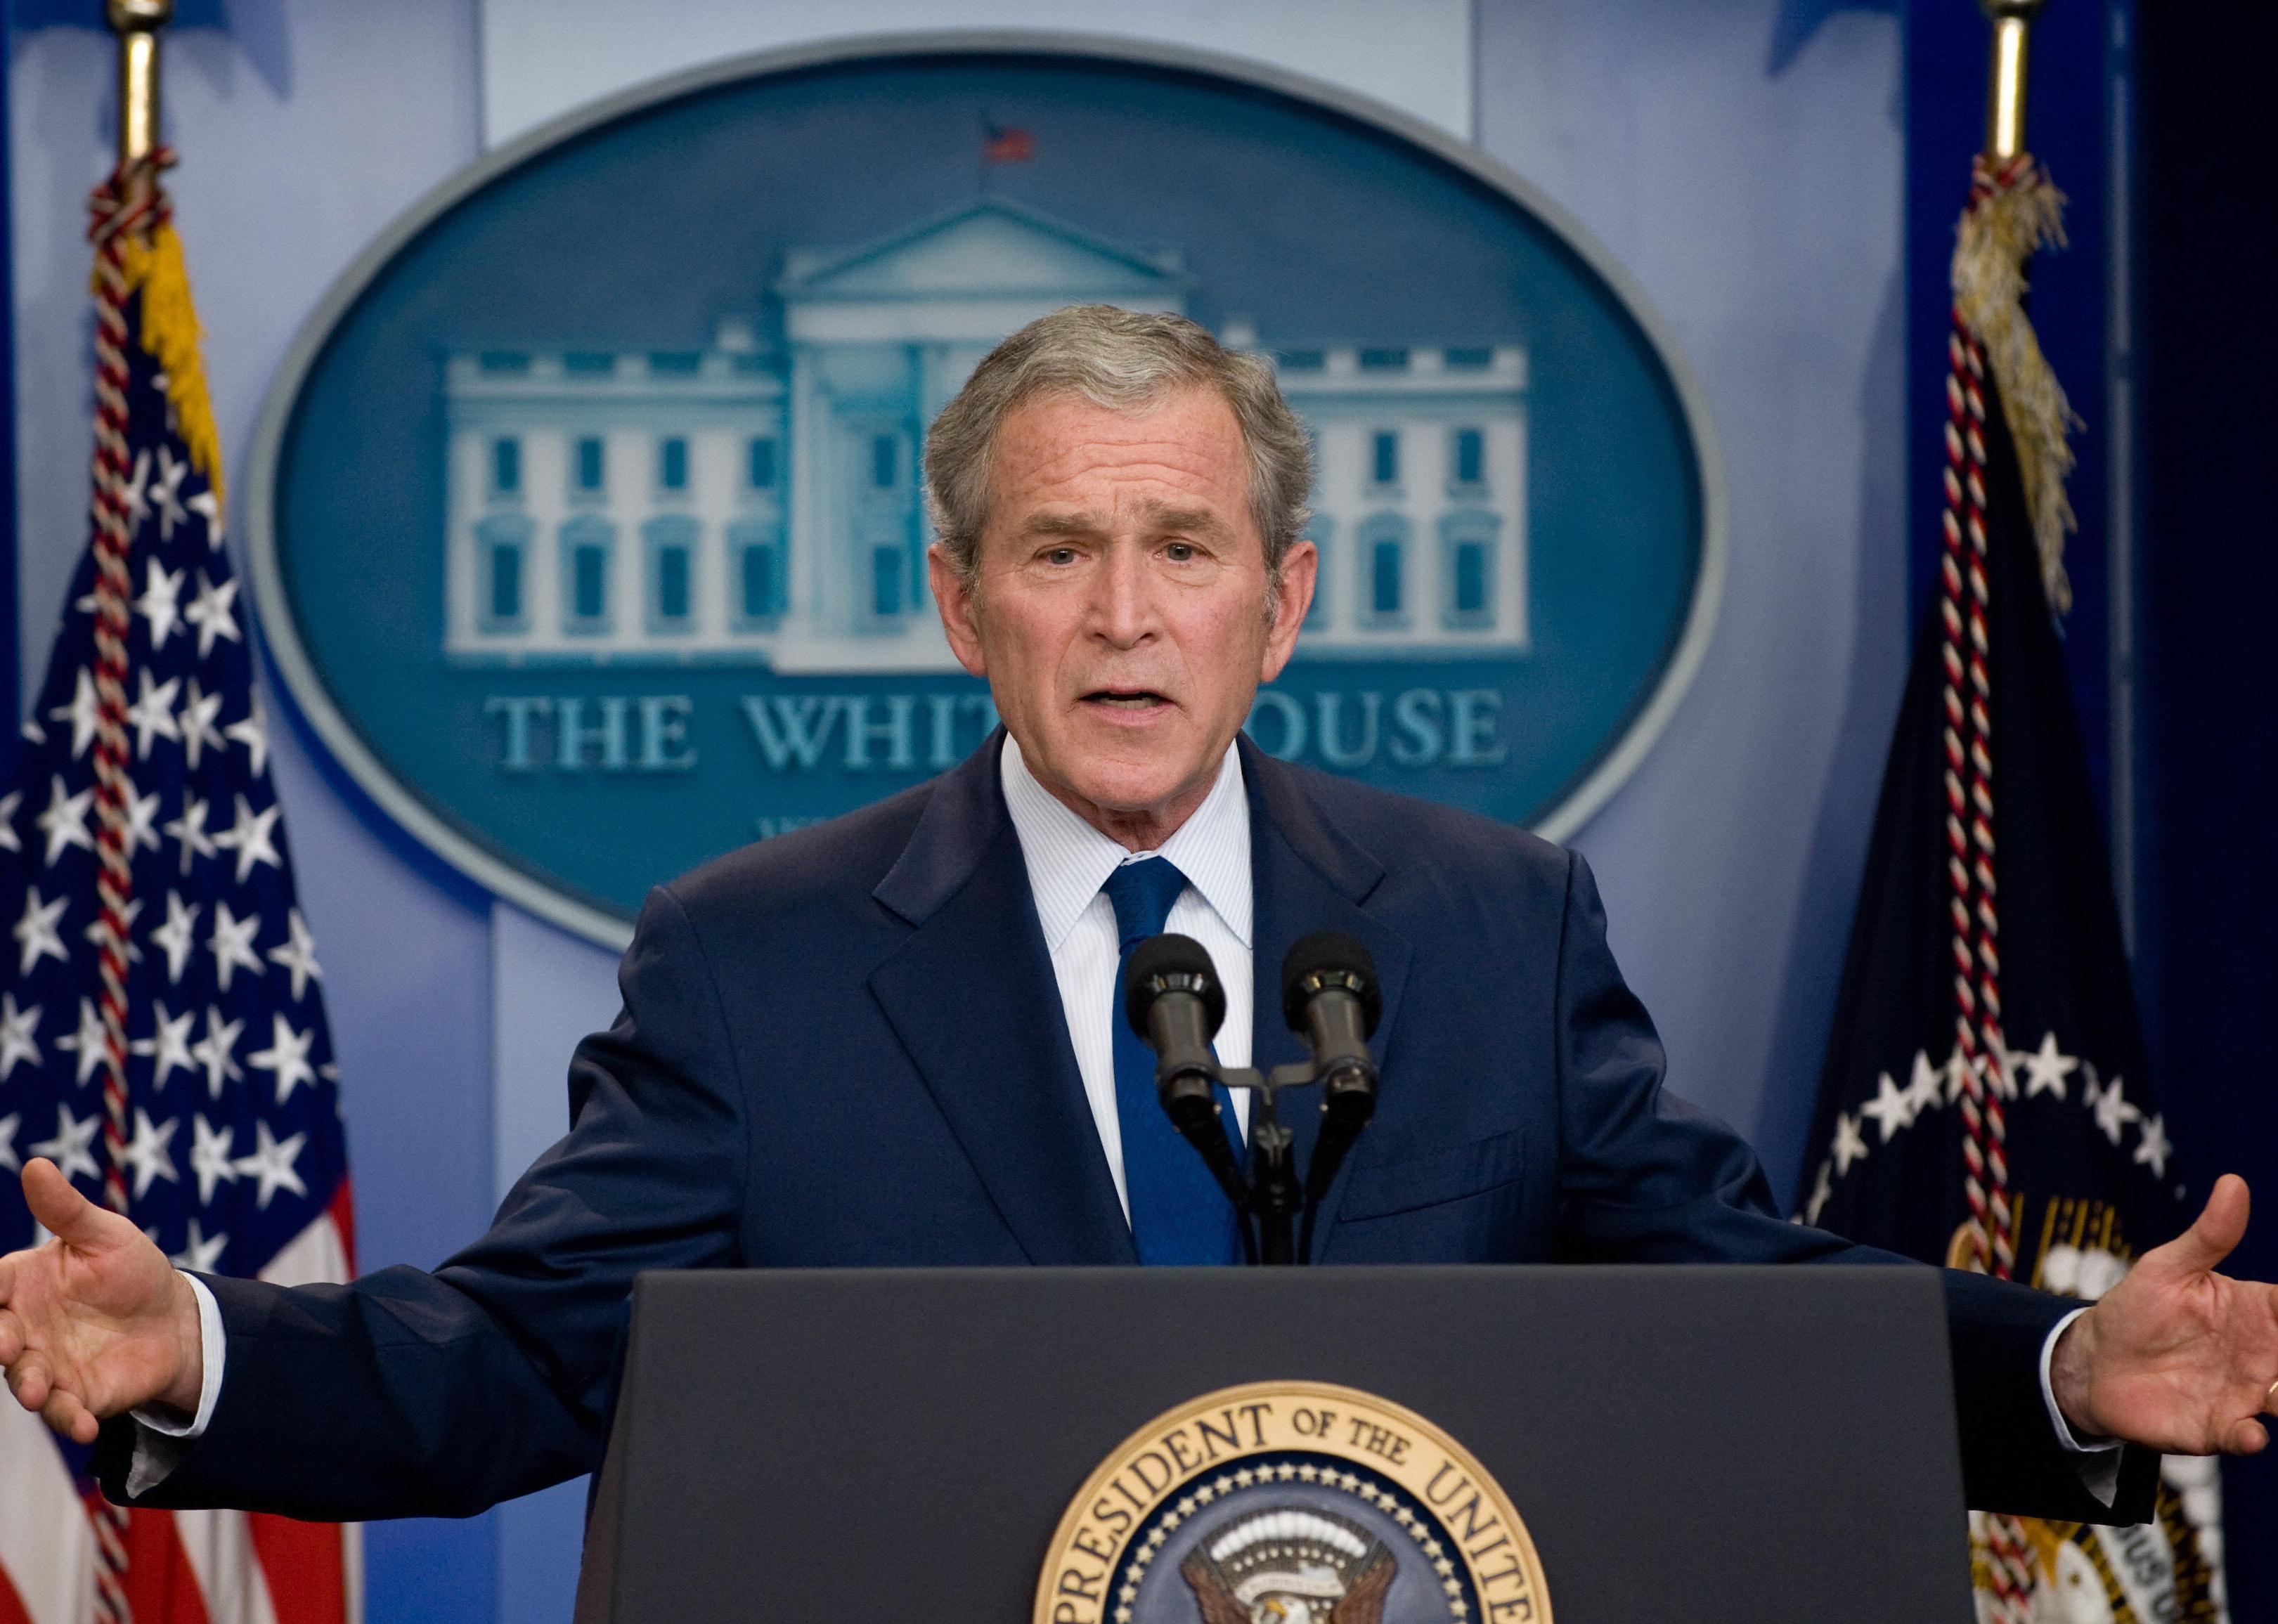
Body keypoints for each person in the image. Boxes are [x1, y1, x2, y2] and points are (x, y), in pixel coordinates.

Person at [2, 306, 2274, 1524]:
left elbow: (1736, 1306)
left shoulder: (1485, 924)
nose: (1121, 613)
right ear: (956, 603)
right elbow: (517, 1356)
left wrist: (2069, 1373)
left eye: (1181, 551)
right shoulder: (761, 958)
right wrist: (194, 1347)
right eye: (1055, 553)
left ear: (1277, 606)